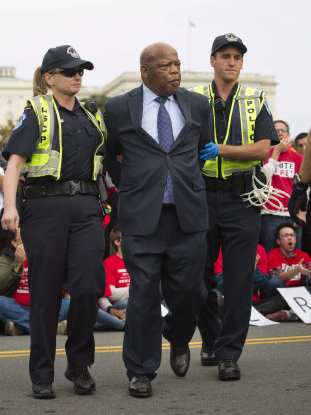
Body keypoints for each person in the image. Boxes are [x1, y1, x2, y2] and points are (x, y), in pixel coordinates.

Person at [104, 42, 209, 397]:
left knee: (191, 292)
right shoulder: (119, 107)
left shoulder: (197, 104)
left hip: (187, 215)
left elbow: (200, 152)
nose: (175, 71)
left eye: (178, 64)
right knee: (143, 294)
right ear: (145, 71)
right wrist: (134, 187)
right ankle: (140, 369)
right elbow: (113, 156)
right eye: (166, 66)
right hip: (141, 217)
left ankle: (178, 336)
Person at [1, 45, 106, 399]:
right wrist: (10, 207)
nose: (78, 76)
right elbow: (14, 163)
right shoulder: (37, 111)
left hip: (88, 208)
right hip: (45, 209)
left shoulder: (91, 114)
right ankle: (42, 373)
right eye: (70, 71)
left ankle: (78, 363)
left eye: (81, 71)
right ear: (50, 78)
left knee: (90, 286)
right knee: (45, 295)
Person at [196, 33, 278, 381]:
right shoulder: (193, 100)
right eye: (225, 55)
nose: (232, 61)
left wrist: (223, 150)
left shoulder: (255, 99)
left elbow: (263, 150)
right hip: (199, 198)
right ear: (212, 60)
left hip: (242, 200)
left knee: (239, 280)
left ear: (242, 63)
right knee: (195, 281)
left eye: (237, 57)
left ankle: (229, 354)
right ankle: (211, 338)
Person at [260, 120, 303, 252]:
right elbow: (262, 179)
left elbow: (305, 187)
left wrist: (303, 213)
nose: (279, 133)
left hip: (293, 215)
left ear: (288, 135)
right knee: (270, 254)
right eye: (275, 131)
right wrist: (276, 152)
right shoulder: (262, 155)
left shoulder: (297, 158)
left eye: (282, 131)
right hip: (269, 213)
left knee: (295, 256)